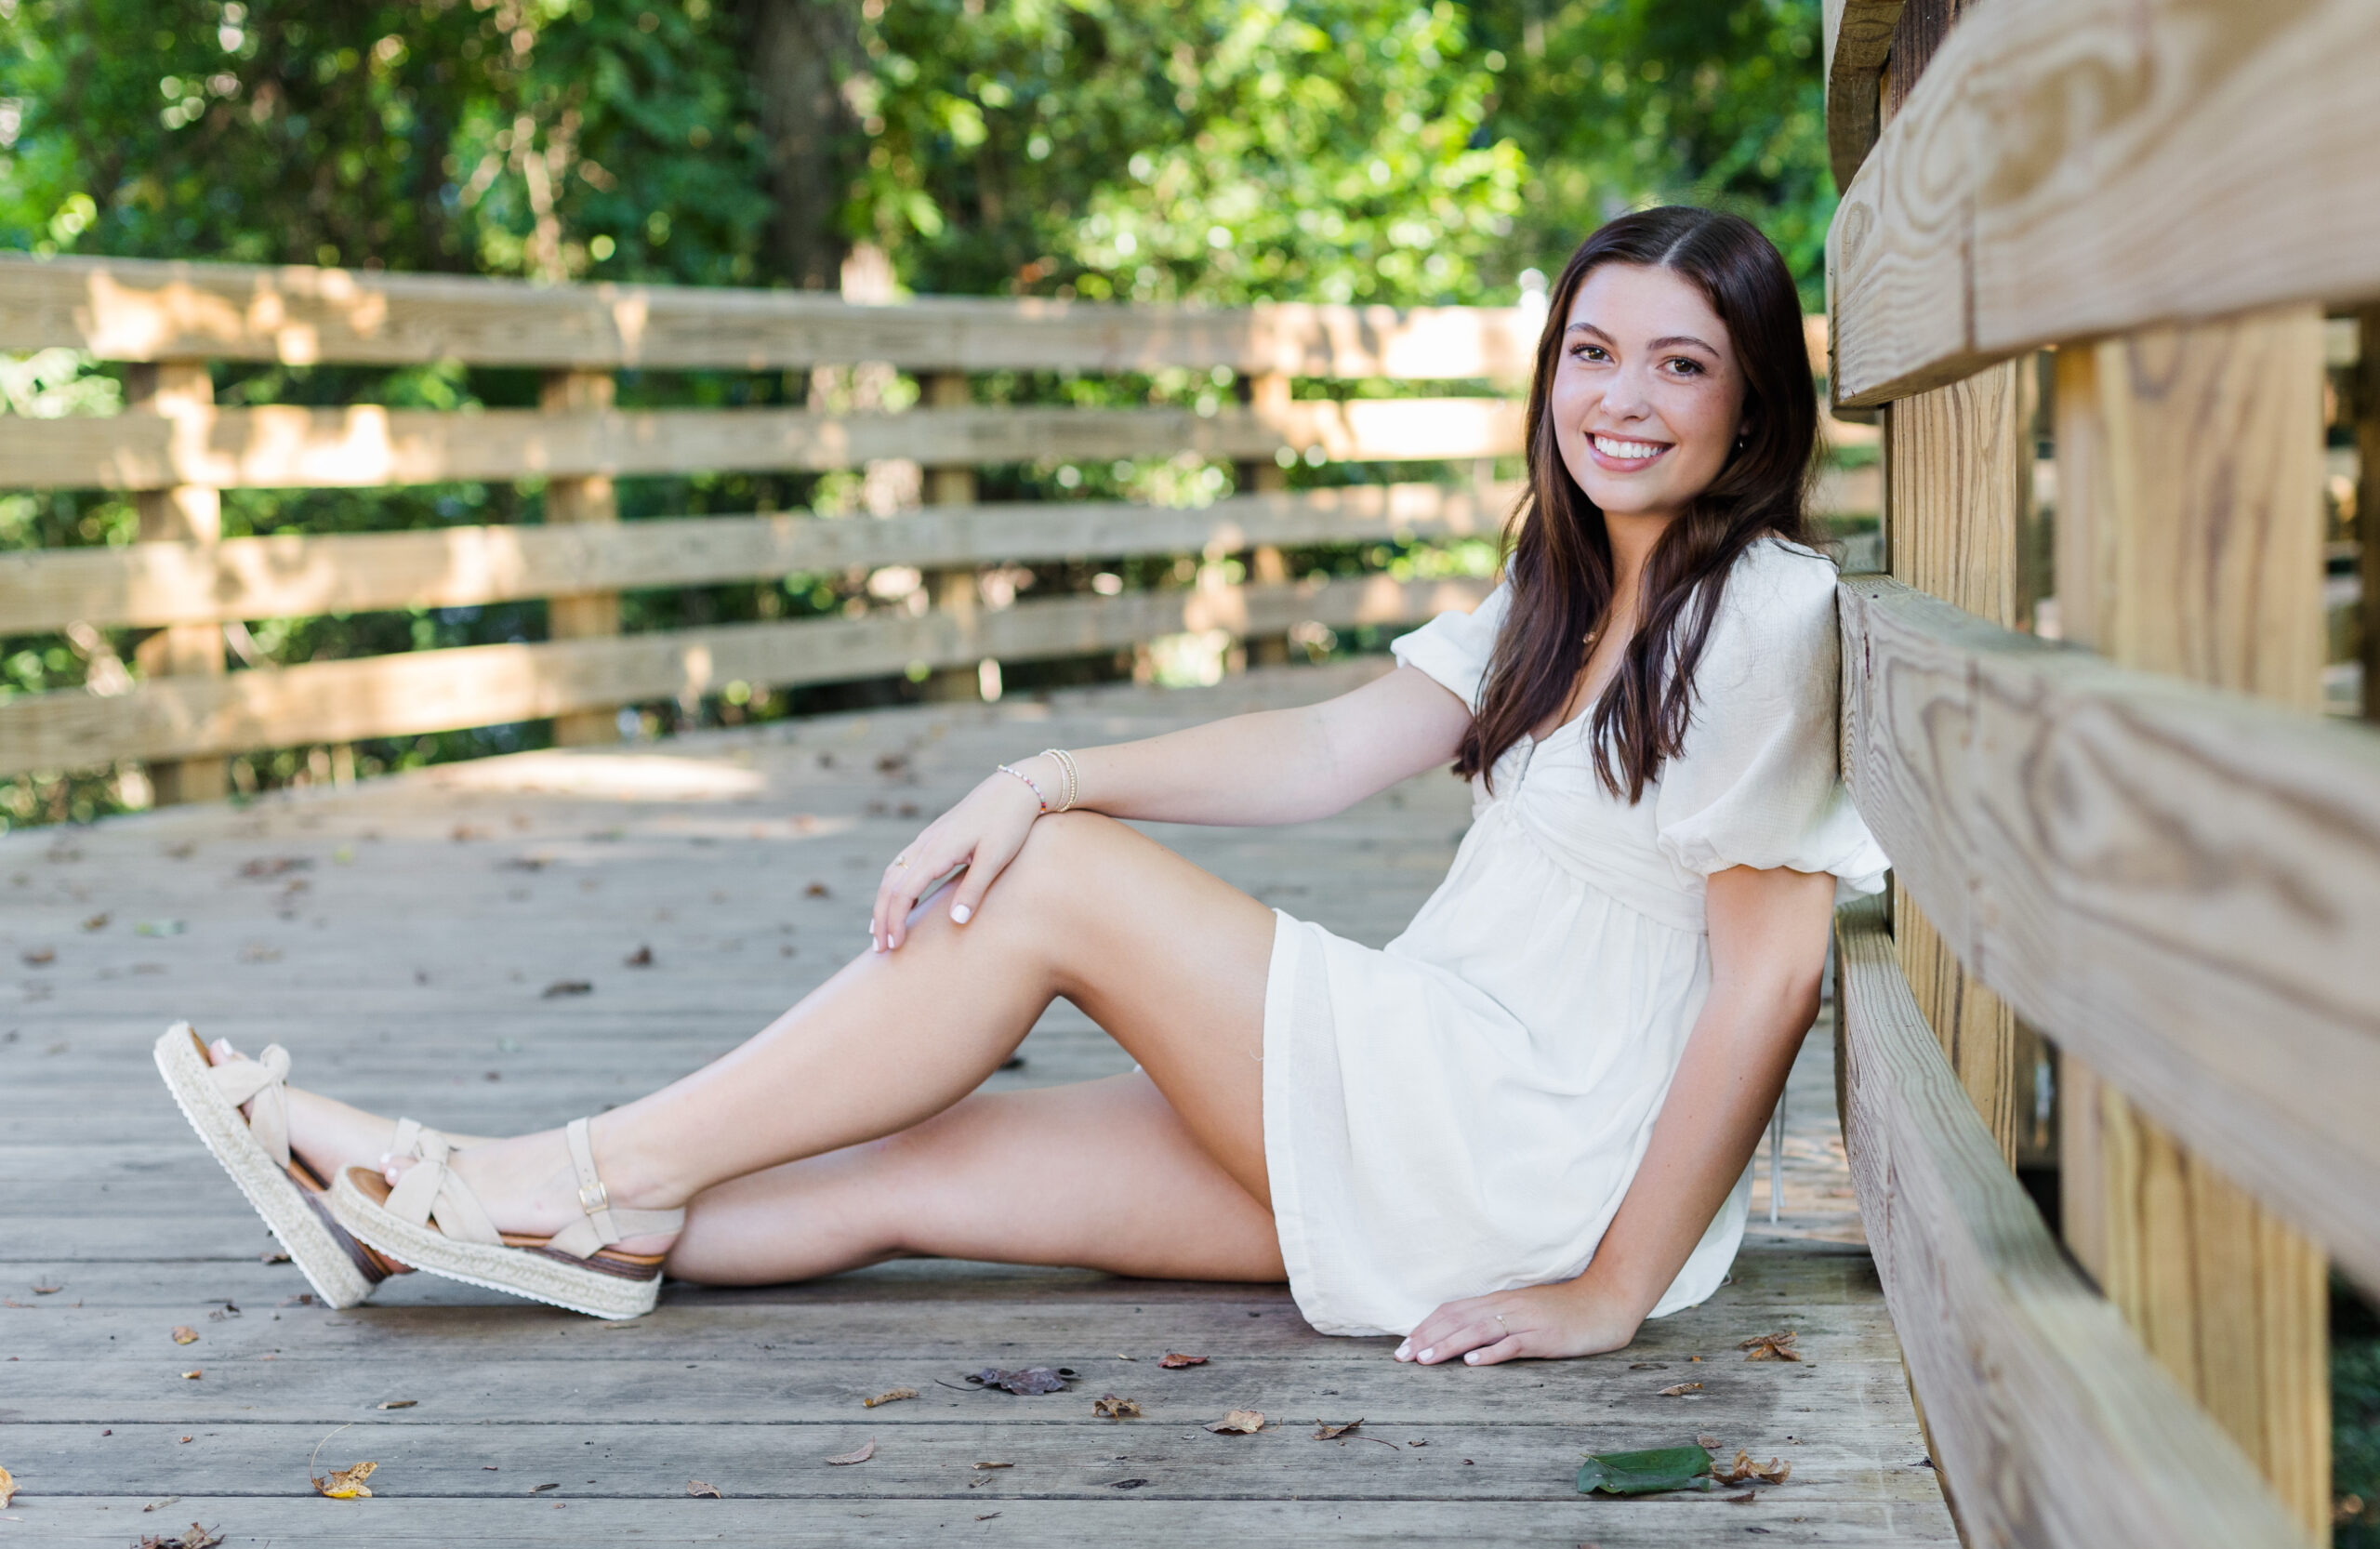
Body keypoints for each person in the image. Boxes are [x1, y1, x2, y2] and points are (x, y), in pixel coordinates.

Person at [154, 205, 1884, 1367]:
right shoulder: (1565, 587)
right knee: (924, 1166)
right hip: (1438, 1118)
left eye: (1681, 363)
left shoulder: (1770, 613)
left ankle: (538, 1178)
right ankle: (447, 1223)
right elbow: (1322, 751)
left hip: (1527, 1147)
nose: (1624, 399)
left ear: (1754, 405)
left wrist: (1607, 1292)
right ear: (1550, 377)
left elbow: (1772, 979)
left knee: (1058, 878)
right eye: (1593, 352)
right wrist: (1039, 763)